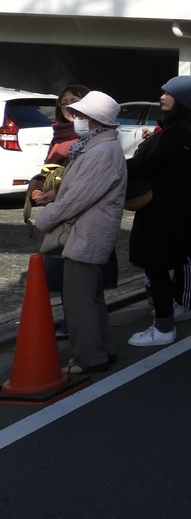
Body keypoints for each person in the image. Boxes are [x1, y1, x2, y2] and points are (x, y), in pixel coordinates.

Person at [34, 91, 126, 374]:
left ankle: (89, 358)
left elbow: (76, 198)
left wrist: (44, 219)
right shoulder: (96, 147)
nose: (75, 118)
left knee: (79, 301)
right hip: (88, 232)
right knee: (91, 296)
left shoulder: (100, 151)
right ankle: (102, 350)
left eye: (80, 114)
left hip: (86, 234)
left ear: (96, 119)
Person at [127, 75, 191, 346]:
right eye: (163, 91)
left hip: (165, 209)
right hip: (168, 207)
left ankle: (163, 328)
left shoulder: (180, 130)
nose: (162, 96)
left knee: (157, 265)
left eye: (169, 93)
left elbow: (151, 164)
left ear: (183, 100)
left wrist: (115, 163)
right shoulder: (180, 127)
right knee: (157, 265)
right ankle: (164, 321)